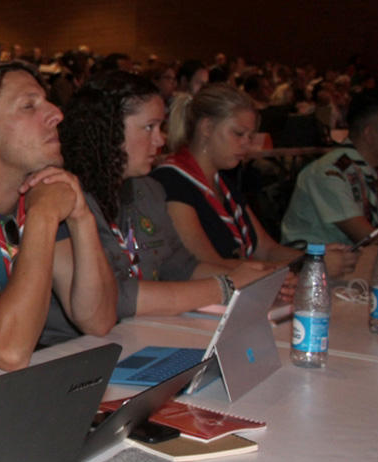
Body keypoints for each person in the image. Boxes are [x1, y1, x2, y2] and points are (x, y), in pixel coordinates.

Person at [0, 62, 116, 373]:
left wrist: (80, 217)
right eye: (29, 106)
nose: (57, 114)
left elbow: (97, 318)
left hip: (4, 392)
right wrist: (43, 218)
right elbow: (9, 351)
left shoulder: (33, 193)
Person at [60, 71, 276, 318]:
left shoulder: (149, 190)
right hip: (80, 348)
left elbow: (181, 266)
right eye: (149, 127)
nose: (160, 139)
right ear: (108, 130)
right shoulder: (70, 199)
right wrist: (226, 285)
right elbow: (116, 297)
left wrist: (254, 274)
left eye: (160, 127)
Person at [154, 83, 356, 276]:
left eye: (250, 137)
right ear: (206, 127)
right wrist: (308, 264)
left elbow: (266, 250)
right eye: (238, 134)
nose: (246, 144)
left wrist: (315, 256)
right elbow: (208, 266)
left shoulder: (222, 182)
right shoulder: (170, 182)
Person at [282, 88, 378, 247]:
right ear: (369, 134)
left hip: (354, 265)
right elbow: (368, 239)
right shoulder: (329, 172)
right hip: (312, 266)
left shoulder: (375, 170)